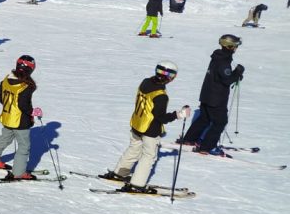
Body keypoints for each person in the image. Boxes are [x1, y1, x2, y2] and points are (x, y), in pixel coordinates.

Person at [100, 61, 190, 193]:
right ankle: (137, 184)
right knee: (149, 156)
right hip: (150, 130)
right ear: (171, 77)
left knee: (134, 148)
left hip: (136, 124)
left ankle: (120, 173)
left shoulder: (146, 82)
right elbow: (161, 117)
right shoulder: (161, 95)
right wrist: (179, 115)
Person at [177, 34, 245, 156]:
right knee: (220, 122)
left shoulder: (217, 56)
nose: (236, 48)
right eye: (235, 46)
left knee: (205, 118)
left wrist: (235, 73)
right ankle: (207, 147)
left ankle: (189, 140)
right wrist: (237, 72)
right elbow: (227, 80)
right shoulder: (224, 61)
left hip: (207, 95)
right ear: (229, 47)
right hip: (216, 99)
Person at [0, 55, 41, 178]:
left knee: (4, 139)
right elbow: (23, 104)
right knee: (23, 146)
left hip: (7, 117)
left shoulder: (7, 79)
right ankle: (19, 172)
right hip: (20, 122)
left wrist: (7, 102)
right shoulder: (25, 85)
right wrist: (33, 112)